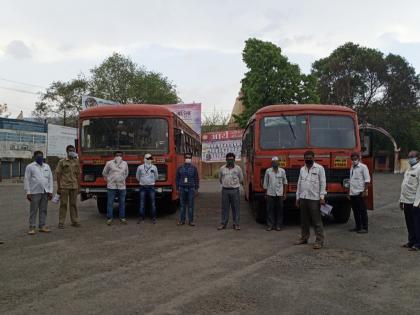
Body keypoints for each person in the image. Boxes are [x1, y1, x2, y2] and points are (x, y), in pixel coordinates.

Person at [294, 151, 327, 249]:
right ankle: (304, 238)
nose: (308, 159)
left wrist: (322, 197)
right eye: (306, 157)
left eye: (310, 157)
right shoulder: (302, 169)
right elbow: (299, 184)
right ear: (304, 158)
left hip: (314, 198)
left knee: (317, 221)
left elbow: (323, 183)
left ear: (313, 157)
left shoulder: (319, 168)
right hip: (303, 198)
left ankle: (319, 241)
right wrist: (297, 198)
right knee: (304, 221)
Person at [24, 151, 53, 235]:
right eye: (38, 156)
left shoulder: (47, 166)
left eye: (41, 156)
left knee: (43, 210)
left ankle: (42, 226)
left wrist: (50, 191)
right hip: (34, 192)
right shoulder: (30, 166)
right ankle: (32, 227)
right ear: (34, 157)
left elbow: (50, 179)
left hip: (45, 191)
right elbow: (26, 179)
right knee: (33, 210)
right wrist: (28, 192)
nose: (40, 157)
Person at [55, 145, 81, 229]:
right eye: (70, 150)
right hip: (64, 186)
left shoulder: (76, 162)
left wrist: (79, 187)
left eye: (73, 150)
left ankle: (75, 221)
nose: (71, 151)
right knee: (63, 204)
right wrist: (59, 187)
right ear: (66, 151)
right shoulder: (62, 162)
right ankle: (61, 222)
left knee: (73, 204)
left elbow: (78, 175)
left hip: (74, 186)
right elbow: (58, 175)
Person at [399, 150, 420, 251]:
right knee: (409, 223)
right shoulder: (409, 169)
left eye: (412, 156)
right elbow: (404, 186)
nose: (410, 158)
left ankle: (417, 244)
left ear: (418, 158)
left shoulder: (419, 169)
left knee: (417, 223)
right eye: (409, 156)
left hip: (415, 202)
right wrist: (401, 200)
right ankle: (411, 241)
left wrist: (418, 202)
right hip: (406, 201)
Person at [218, 152, 244, 230]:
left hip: (235, 190)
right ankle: (223, 223)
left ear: (234, 160)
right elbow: (220, 179)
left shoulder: (238, 168)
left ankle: (236, 224)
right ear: (226, 160)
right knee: (224, 208)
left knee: (235, 208)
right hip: (225, 190)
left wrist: (235, 185)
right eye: (228, 159)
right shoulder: (222, 168)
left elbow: (241, 178)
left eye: (232, 159)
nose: (230, 161)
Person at [102, 151, 129, 225]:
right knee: (110, 203)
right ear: (114, 156)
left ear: (122, 156)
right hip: (111, 186)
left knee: (122, 203)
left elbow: (126, 173)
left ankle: (122, 218)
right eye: (117, 155)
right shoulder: (109, 163)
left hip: (122, 186)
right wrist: (109, 179)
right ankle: (109, 218)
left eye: (120, 155)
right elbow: (104, 173)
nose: (118, 157)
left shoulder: (125, 163)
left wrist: (122, 179)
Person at [263, 156, 288, 231]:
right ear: (272, 163)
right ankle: (270, 225)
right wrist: (265, 193)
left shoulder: (282, 171)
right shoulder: (268, 171)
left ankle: (278, 225)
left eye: (276, 162)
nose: (275, 163)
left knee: (280, 210)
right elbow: (265, 183)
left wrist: (285, 194)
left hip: (279, 194)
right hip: (270, 194)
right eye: (274, 162)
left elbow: (285, 183)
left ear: (278, 163)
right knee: (270, 210)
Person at [348, 152, 371, 233]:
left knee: (362, 211)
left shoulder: (363, 167)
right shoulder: (352, 167)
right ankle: (358, 227)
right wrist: (349, 193)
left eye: (355, 158)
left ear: (359, 158)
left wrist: (364, 191)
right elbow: (351, 181)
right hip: (353, 193)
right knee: (355, 211)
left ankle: (365, 228)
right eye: (353, 159)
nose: (354, 160)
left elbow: (367, 180)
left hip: (360, 193)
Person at [176, 153, 199, 226]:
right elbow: (177, 178)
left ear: (191, 159)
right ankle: (182, 221)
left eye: (189, 157)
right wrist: (177, 188)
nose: (187, 158)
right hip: (182, 188)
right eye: (186, 157)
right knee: (182, 206)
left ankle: (191, 221)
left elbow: (196, 179)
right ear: (184, 158)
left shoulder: (194, 168)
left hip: (191, 189)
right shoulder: (180, 168)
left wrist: (196, 188)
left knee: (190, 206)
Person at [136, 153, 158, 224]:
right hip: (142, 187)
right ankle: (141, 217)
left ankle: (154, 218)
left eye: (150, 159)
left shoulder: (154, 167)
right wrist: (143, 181)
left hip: (151, 187)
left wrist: (151, 182)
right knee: (142, 203)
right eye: (147, 159)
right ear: (144, 159)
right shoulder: (140, 167)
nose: (149, 160)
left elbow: (156, 177)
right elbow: (137, 177)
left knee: (153, 203)